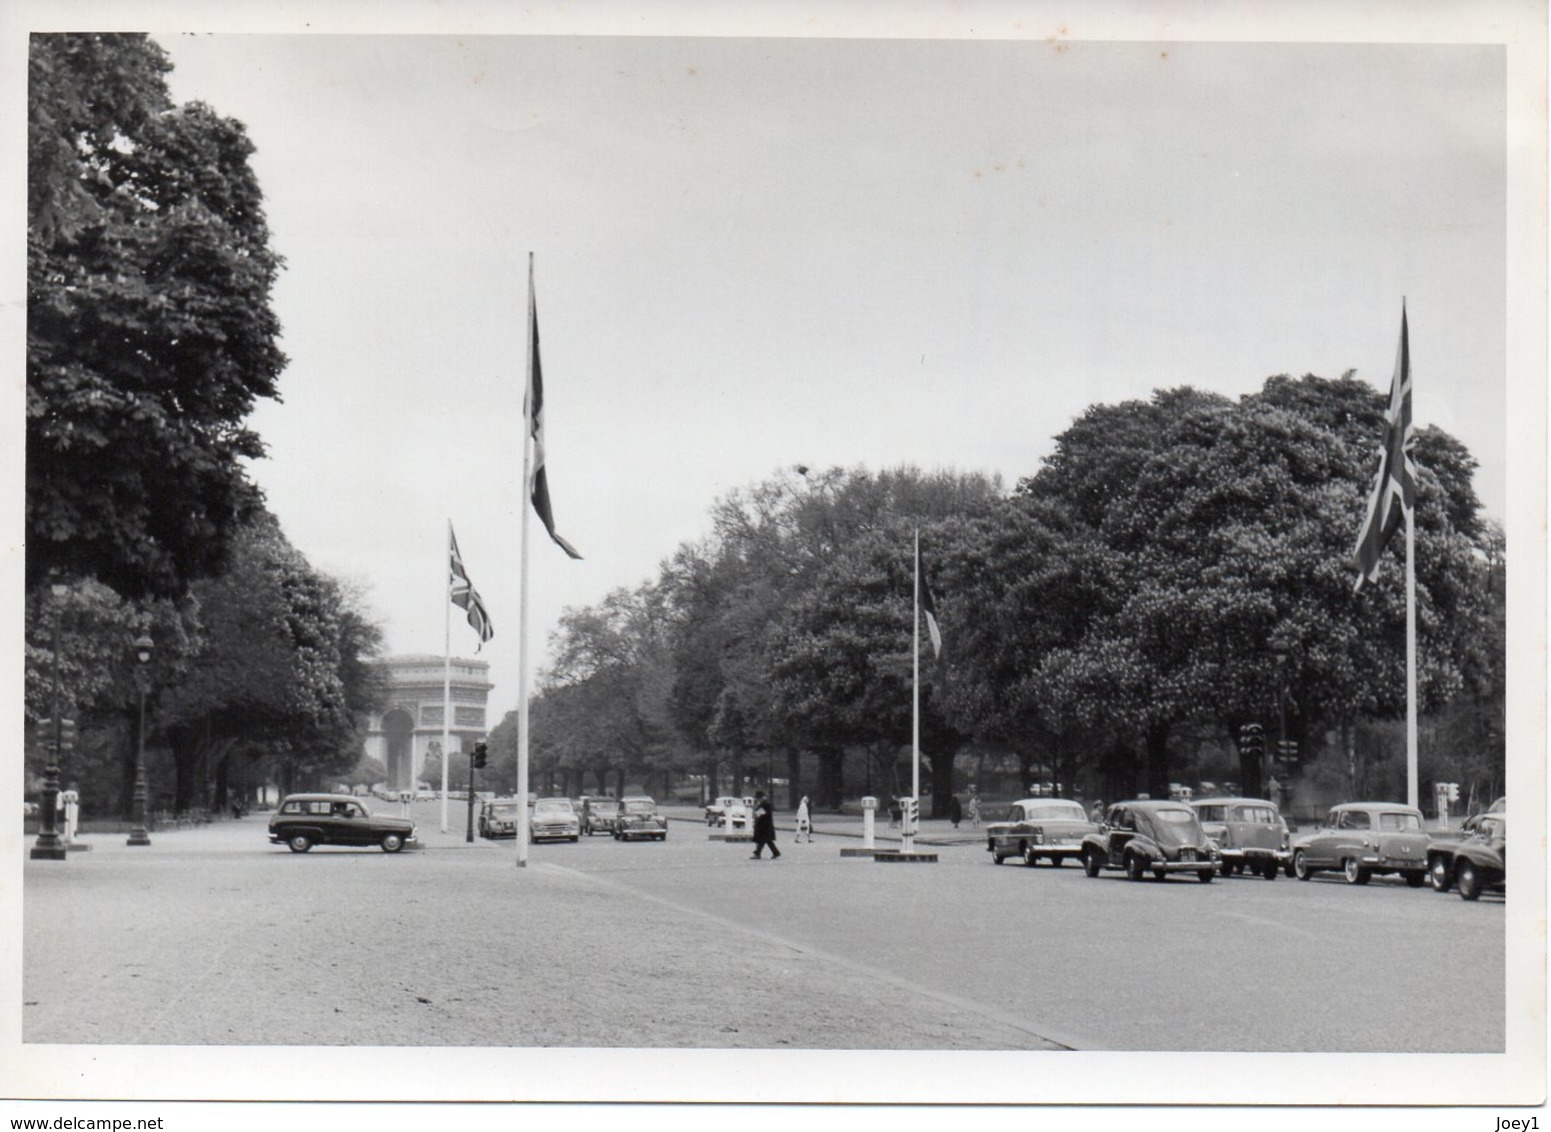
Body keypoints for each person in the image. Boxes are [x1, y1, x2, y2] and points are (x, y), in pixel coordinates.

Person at [750, 791, 781, 859]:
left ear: (760, 798)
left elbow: (758, 814)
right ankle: (775, 853)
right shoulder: (765, 804)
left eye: (757, 798)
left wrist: (754, 809)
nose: (756, 799)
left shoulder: (765, 805)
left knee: (763, 840)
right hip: (765, 826)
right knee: (767, 841)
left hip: (764, 826)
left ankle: (758, 854)